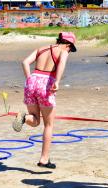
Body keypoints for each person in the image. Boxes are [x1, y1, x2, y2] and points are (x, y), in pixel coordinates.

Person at [12, 32, 77, 169]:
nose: (70, 51)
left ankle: (24, 118)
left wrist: (30, 78)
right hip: (46, 84)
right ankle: (44, 159)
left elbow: (25, 62)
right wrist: (57, 82)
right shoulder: (63, 51)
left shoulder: (41, 48)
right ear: (68, 44)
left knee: (35, 120)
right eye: (71, 49)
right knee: (48, 125)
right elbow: (61, 66)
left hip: (32, 80)